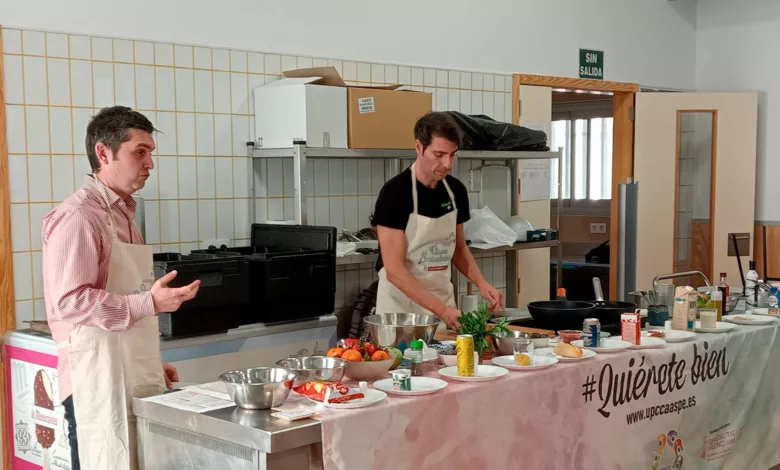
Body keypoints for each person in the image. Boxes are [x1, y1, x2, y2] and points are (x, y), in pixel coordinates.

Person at [42, 106, 200, 470]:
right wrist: (150, 302)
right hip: (93, 382)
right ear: (103, 153)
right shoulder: (78, 216)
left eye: (151, 153)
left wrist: (148, 362)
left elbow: (122, 295)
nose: (150, 163)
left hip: (128, 372)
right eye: (139, 152)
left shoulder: (124, 214)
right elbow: (71, 302)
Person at [372, 111, 503, 330]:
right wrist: (443, 311)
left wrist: (482, 283)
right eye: (439, 154)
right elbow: (394, 270)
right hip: (401, 313)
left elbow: (459, 250)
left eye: (452, 155)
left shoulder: (455, 191)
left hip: (443, 305)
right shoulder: (395, 193)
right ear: (419, 147)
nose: (447, 163)